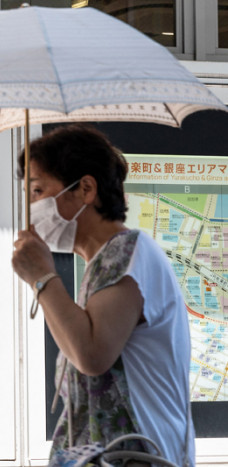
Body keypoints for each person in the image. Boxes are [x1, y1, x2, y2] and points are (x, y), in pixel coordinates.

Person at [11, 125, 194, 465]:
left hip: (137, 455)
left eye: (37, 191)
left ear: (85, 189)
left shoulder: (126, 253)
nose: (31, 207)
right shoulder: (102, 263)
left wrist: (43, 278)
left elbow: (92, 355)